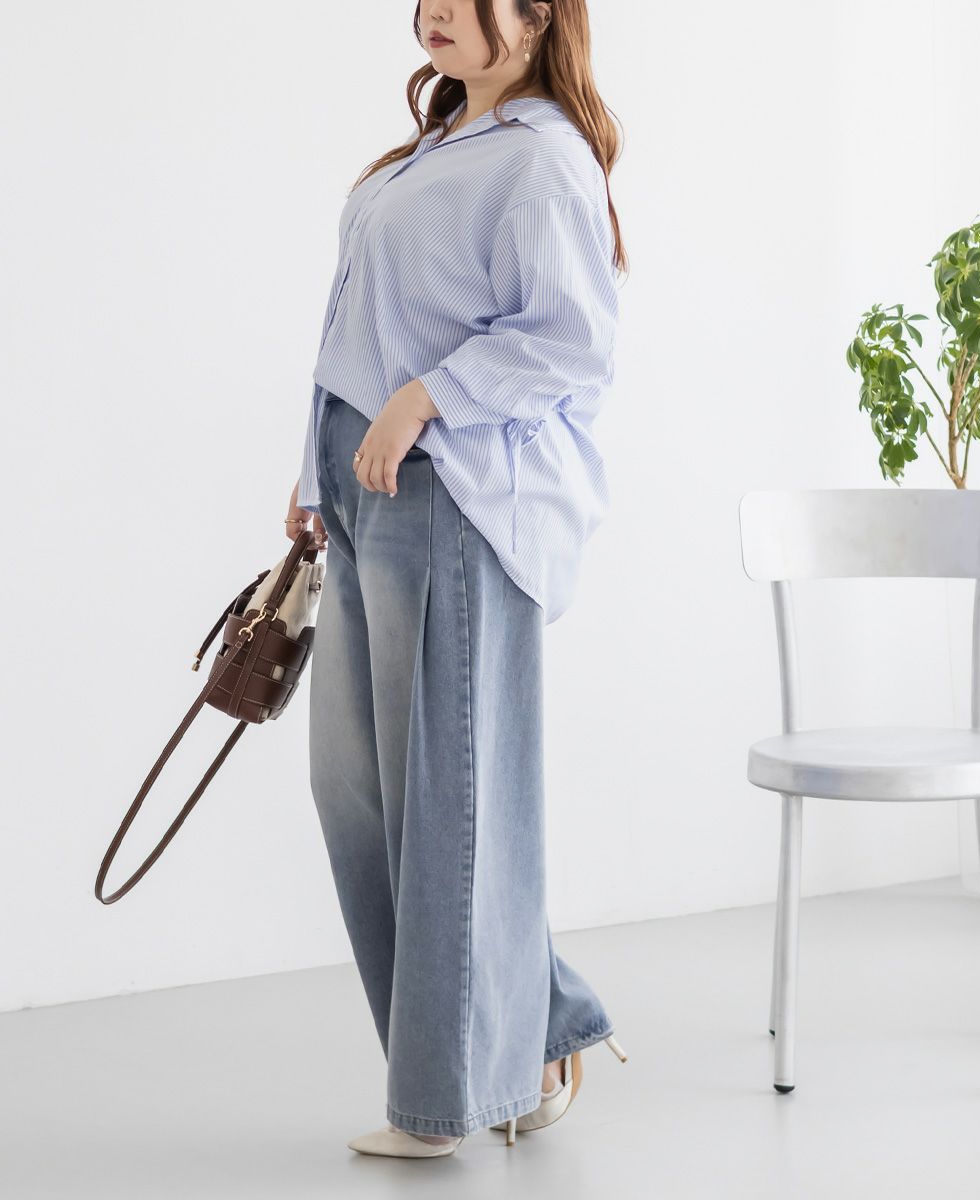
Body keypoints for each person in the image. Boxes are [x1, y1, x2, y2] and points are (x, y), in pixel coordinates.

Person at [285, 0, 629, 1159]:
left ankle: (443, 1100)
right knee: (355, 789)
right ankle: (539, 1033)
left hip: (454, 493)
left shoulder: (540, 159)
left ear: (532, 23)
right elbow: (361, 321)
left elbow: (571, 339)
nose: (435, 9)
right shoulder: (440, 144)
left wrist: (425, 398)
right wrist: (313, 470)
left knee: (445, 800)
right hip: (364, 485)